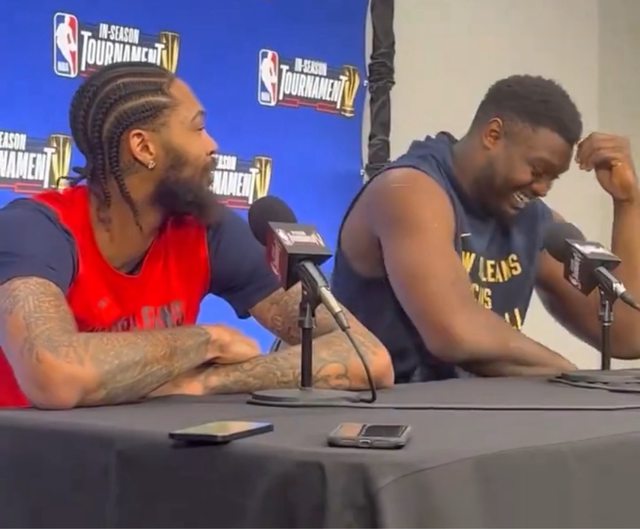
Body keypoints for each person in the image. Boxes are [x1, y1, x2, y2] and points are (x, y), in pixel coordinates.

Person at [0, 62, 393, 409]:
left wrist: (207, 382)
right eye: (198, 128)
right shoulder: (34, 229)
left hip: (146, 455)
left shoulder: (205, 230)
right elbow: (53, 374)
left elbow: (368, 357)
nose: (213, 145)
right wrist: (207, 342)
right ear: (143, 147)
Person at [332, 74, 640, 383]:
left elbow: (628, 334)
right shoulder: (409, 190)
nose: (543, 189)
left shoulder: (532, 221)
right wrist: (567, 374)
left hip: (478, 407)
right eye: (537, 171)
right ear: (493, 135)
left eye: (553, 178)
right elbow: (455, 331)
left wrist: (628, 201)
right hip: (390, 406)